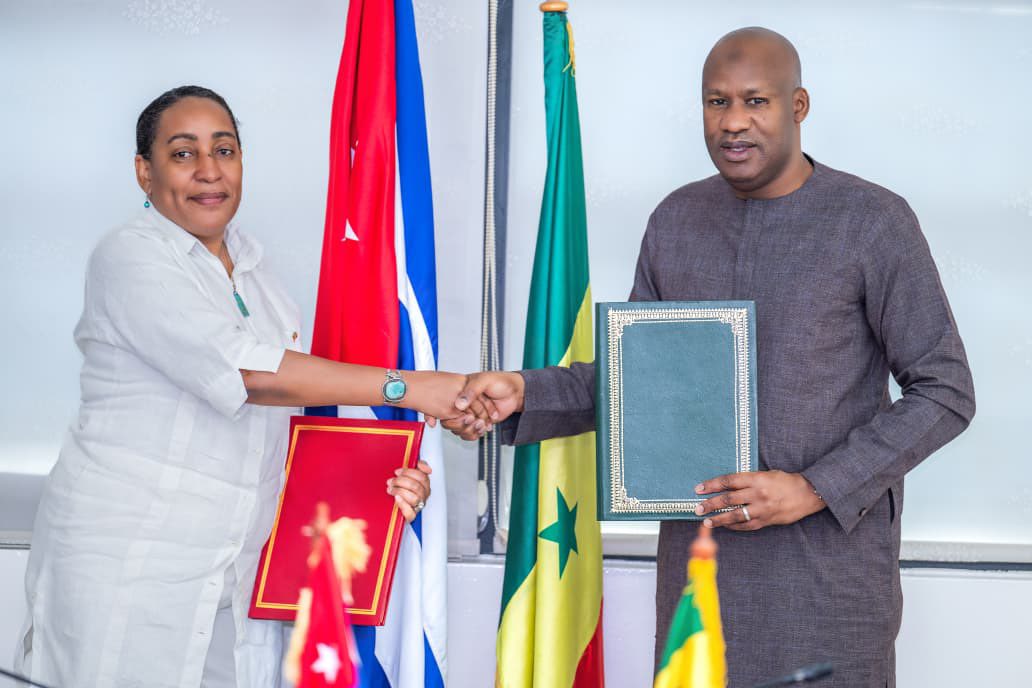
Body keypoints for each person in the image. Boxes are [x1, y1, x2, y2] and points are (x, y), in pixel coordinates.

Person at [446, 27, 976, 688]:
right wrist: (525, 393)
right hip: (700, 572)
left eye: (756, 101)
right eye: (716, 102)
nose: (733, 122)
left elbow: (945, 391)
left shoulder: (872, 221)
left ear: (798, 106)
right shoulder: (677, 220)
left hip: (828, 578)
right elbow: (636, 378)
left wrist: (813, 488)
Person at [14, 85, 469, 688]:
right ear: (144, 172)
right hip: (130, 572)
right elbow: (248, 374)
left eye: (224, 150)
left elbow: (288, 434)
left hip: (236, 580)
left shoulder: (258, 276)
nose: (209, 171)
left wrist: (380, 486)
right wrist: (409, 387)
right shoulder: (129, 256)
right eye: (183, 153)